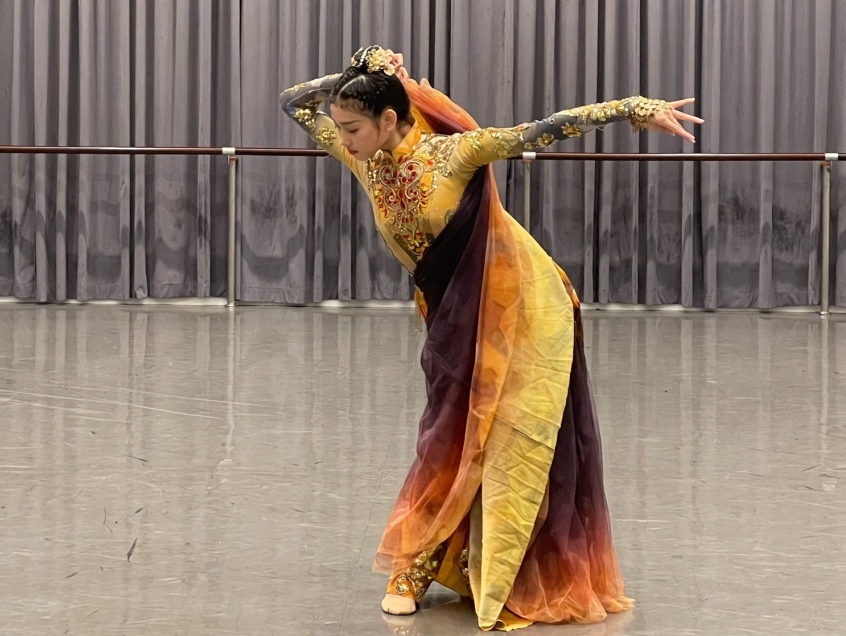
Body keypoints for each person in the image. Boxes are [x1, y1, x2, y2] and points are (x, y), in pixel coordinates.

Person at [279, 45, 702, 632]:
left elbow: (545, 129)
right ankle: (448, 553)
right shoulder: (365, 161)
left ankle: (418, 566)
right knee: (453, 430)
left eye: (352, 128)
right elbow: (293, 103)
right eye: (342, 128)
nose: (343, 138)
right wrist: (365, 72)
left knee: (475, 432)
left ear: (389, 119)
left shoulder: (455, 154)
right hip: (447, 314)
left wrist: (632, 108)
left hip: (515, 307)